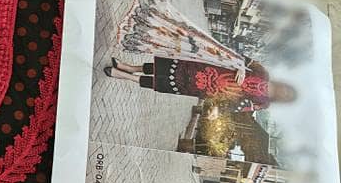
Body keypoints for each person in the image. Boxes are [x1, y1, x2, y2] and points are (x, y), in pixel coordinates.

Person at [103, 56, 296, 112]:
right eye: (288, 90)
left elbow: (237, 107)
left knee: (167, 82)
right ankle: (129, 67)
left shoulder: (263, 104)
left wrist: (219, 106)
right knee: (168, 68)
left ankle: (125, 76)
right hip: (207, 69)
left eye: (287, 96)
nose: (284, 92)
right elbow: (241, 58)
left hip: (206, 89)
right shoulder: (263, 72)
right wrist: (242, 68)